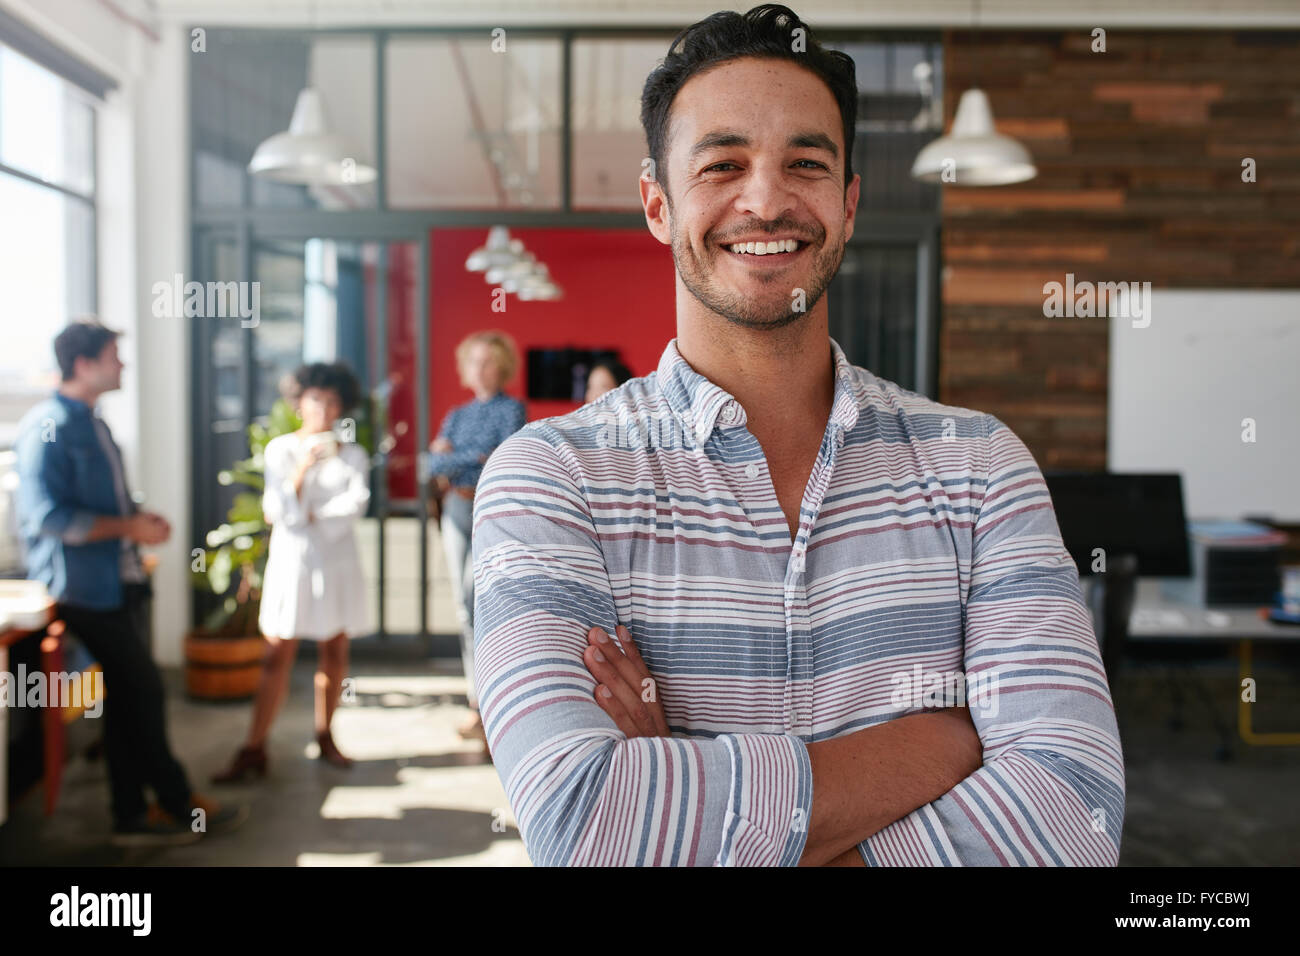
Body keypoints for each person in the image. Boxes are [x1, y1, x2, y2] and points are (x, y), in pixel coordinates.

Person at [471, 5, 1124, 866]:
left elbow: (1073, 812)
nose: (767, 198)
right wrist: (947, 743)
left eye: (806, 163)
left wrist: (689, 796)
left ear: (849, 203)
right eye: (724, 163)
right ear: (658, 205)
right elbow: (586, 825)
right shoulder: (549, 477)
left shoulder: (981, 466)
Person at [14, 320, 247, 846]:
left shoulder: (94, 423)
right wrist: (128, 528)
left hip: (118, 581)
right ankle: (175, 803)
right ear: (84, 364)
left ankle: (133, 816)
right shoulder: (47, 427)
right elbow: (48, 516)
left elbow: (101, 504)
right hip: (81, 590)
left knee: (126, 699)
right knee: (143, 690)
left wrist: (140, 518)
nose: (123, 365)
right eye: (114, 355)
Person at [212, 362, 370, 782]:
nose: (324, 408)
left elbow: (353, 507)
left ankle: (325, 734)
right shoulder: (280, 449)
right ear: (300, 403)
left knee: (334, 652)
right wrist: (303, 472)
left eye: (333, 401)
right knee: (275, 653)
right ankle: (254, 745)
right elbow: (275, 510)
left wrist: (305, 514)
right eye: (316, 399)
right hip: (293, 563)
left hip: (336, 563)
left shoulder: (353, 454)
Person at [428, 331, 525, 745]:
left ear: (501, 367)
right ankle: (477, 704)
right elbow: (432, 463)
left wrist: (455, 456)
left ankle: (498, 702)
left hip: (490, 509)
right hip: (454, 509)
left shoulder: (512, 410)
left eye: (489, 362)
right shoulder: (457, 414)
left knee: (480, 599)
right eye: (475, 362)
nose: (481, 370)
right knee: (462, 607)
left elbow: (502, 455)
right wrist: (471, 455)